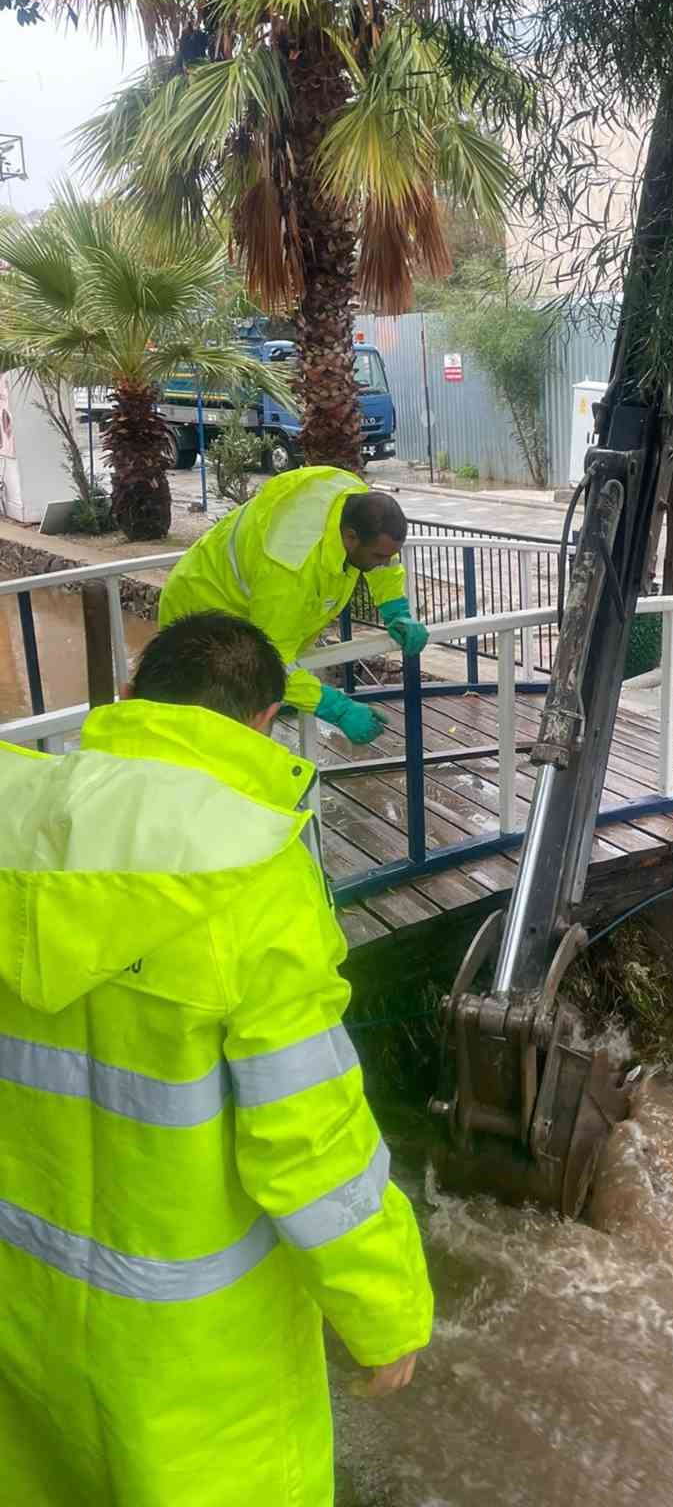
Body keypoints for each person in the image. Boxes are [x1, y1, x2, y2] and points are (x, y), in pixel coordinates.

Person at [0, 612, 433, 1507]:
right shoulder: (256, 873)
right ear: (266, 722)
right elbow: (309, 1138)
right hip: (198, 1363)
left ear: (128, 696)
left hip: (23, 1316)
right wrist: (386, 1310)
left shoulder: (14, 826)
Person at [158, 465, 429, 745]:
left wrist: (396, 610)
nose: (385, 563)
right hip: (200, 619)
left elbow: (384, 564)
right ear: (350, 537)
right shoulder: (289, 571)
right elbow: (270, 661)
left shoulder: (351, 499)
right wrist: (336, 707)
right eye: (378, 556)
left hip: (236, 602)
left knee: (251, 724)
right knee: (219, 734)